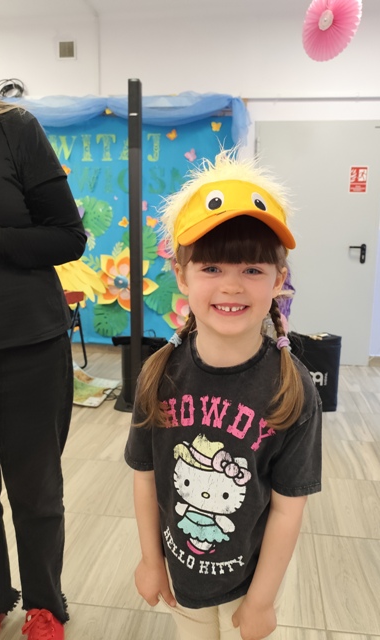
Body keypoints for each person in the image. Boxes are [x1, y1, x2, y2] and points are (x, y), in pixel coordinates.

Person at [124, 149, 322, 640]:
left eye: (252, 269)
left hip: (250, 582)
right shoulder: (157, 373)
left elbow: (288, 507)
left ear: (278, 280)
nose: (231, 286)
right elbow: (146, 476)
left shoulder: (292, 388)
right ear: (181, 275)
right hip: (180, 574)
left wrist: (262, 600)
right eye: (211, 268)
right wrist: (150, 560)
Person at [0, 5, 87, 640]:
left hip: (28, 344)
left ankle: (46, 602)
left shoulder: (13, 128)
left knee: (35, 488)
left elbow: (68, 236)